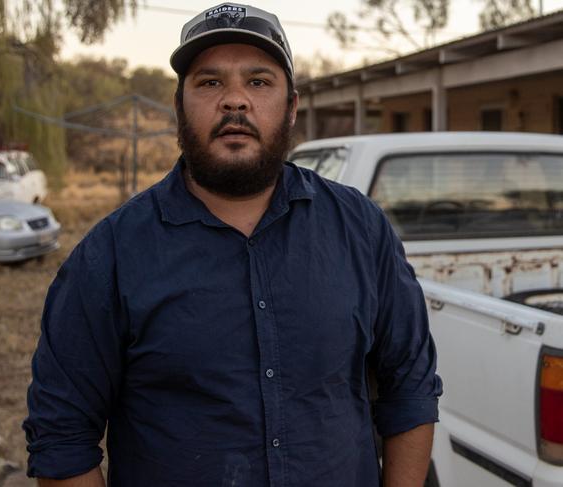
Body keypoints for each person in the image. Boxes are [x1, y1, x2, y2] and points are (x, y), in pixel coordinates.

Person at [23, 3, 443, 486]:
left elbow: (409, 387)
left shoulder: (360, 228)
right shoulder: (111, 254)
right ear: (179, 105)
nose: (235, 101)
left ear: (291, 107)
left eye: (259, 81)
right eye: (210, 82)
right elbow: (61, 436)